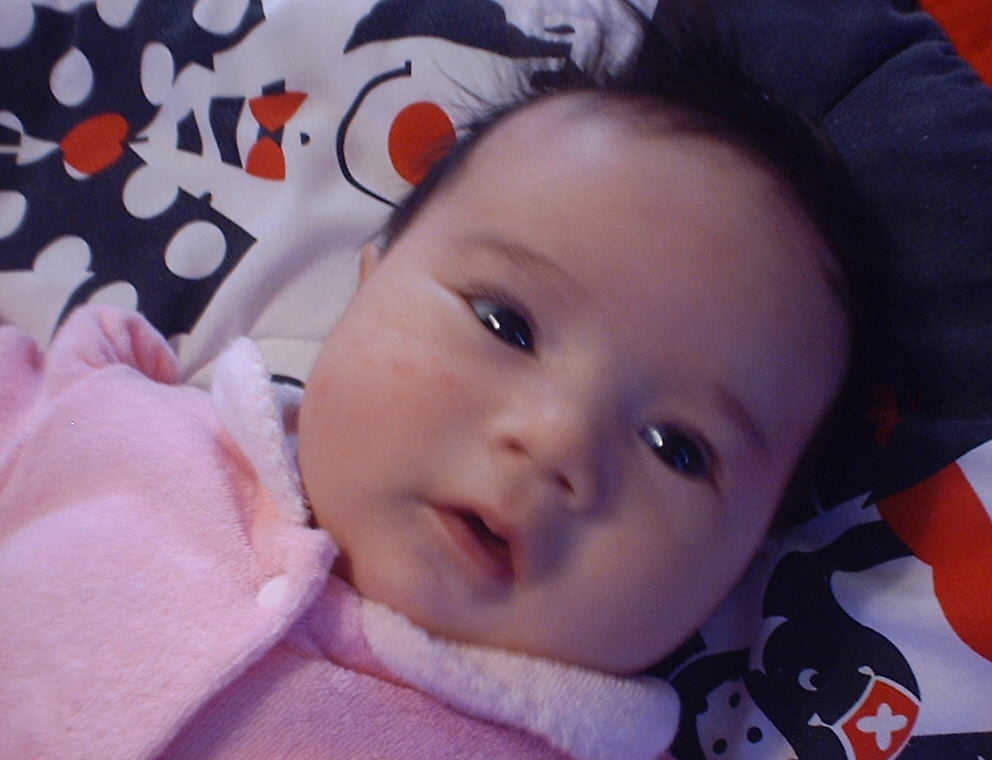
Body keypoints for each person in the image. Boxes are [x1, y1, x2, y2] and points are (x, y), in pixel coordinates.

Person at [0, 9, 875, 760]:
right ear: (369, 280)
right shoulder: (112, 425)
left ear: (743, 563)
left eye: (676, 448)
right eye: (507, 325)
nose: (559, 438)